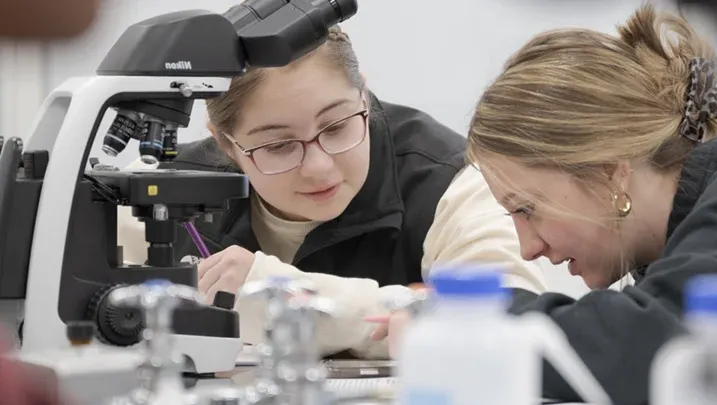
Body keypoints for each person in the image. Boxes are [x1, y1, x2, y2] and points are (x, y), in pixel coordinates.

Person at [375, 4, 717, 404]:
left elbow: (647, 352)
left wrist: (458, 324)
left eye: (527, 209)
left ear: (608, 171)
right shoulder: (706, 211)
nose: (527, 248)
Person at [117, 25, 548, 358]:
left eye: (338, 126)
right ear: (225, 143)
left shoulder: (448, 178)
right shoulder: (161, 191)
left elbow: (512, 323)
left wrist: (285, 296)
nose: (319, 166)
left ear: (363, 92)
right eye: (279, 145)